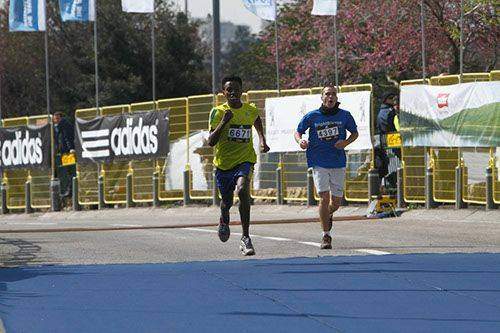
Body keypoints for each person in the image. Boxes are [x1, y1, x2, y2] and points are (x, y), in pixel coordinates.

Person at [208, 76, 270, 256]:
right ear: (223, 93)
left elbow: (256, 119)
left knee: (243, 190)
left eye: (236, 89)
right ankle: (224, 219)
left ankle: (245, 237)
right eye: (229, 90)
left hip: (245, 159)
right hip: (224, 164)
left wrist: (262, 139)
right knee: (226, 202)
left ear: (242, 91)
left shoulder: (249, 109)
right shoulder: (218, 112)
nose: (233, 93)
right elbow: (211, 142)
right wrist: (224, 122)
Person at [294, 85, 358, 249]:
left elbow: (355, 133)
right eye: (327, 94)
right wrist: (300, 141)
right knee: (323, 197)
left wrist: (345, 143)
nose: (330, 97)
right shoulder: (312, 116)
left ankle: (327, 214)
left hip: (337, 161)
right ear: (322, 97)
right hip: (318, 160)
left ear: (336, 98)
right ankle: (326, 235)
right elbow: (298, 132)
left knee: (336, 203)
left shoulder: (345, 115)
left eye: (333, 94)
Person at [53, 112, 75, 198]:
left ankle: (70, 190)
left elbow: (67, 137)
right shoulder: (58, 127)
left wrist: (71, 148)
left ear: (61, 118)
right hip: (63, 152)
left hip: (67, 152)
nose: (56, 120)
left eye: (57, 118)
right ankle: (69, 190)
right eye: (55, 119)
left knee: (69, 171)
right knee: (67, 171)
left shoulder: (64, 125)